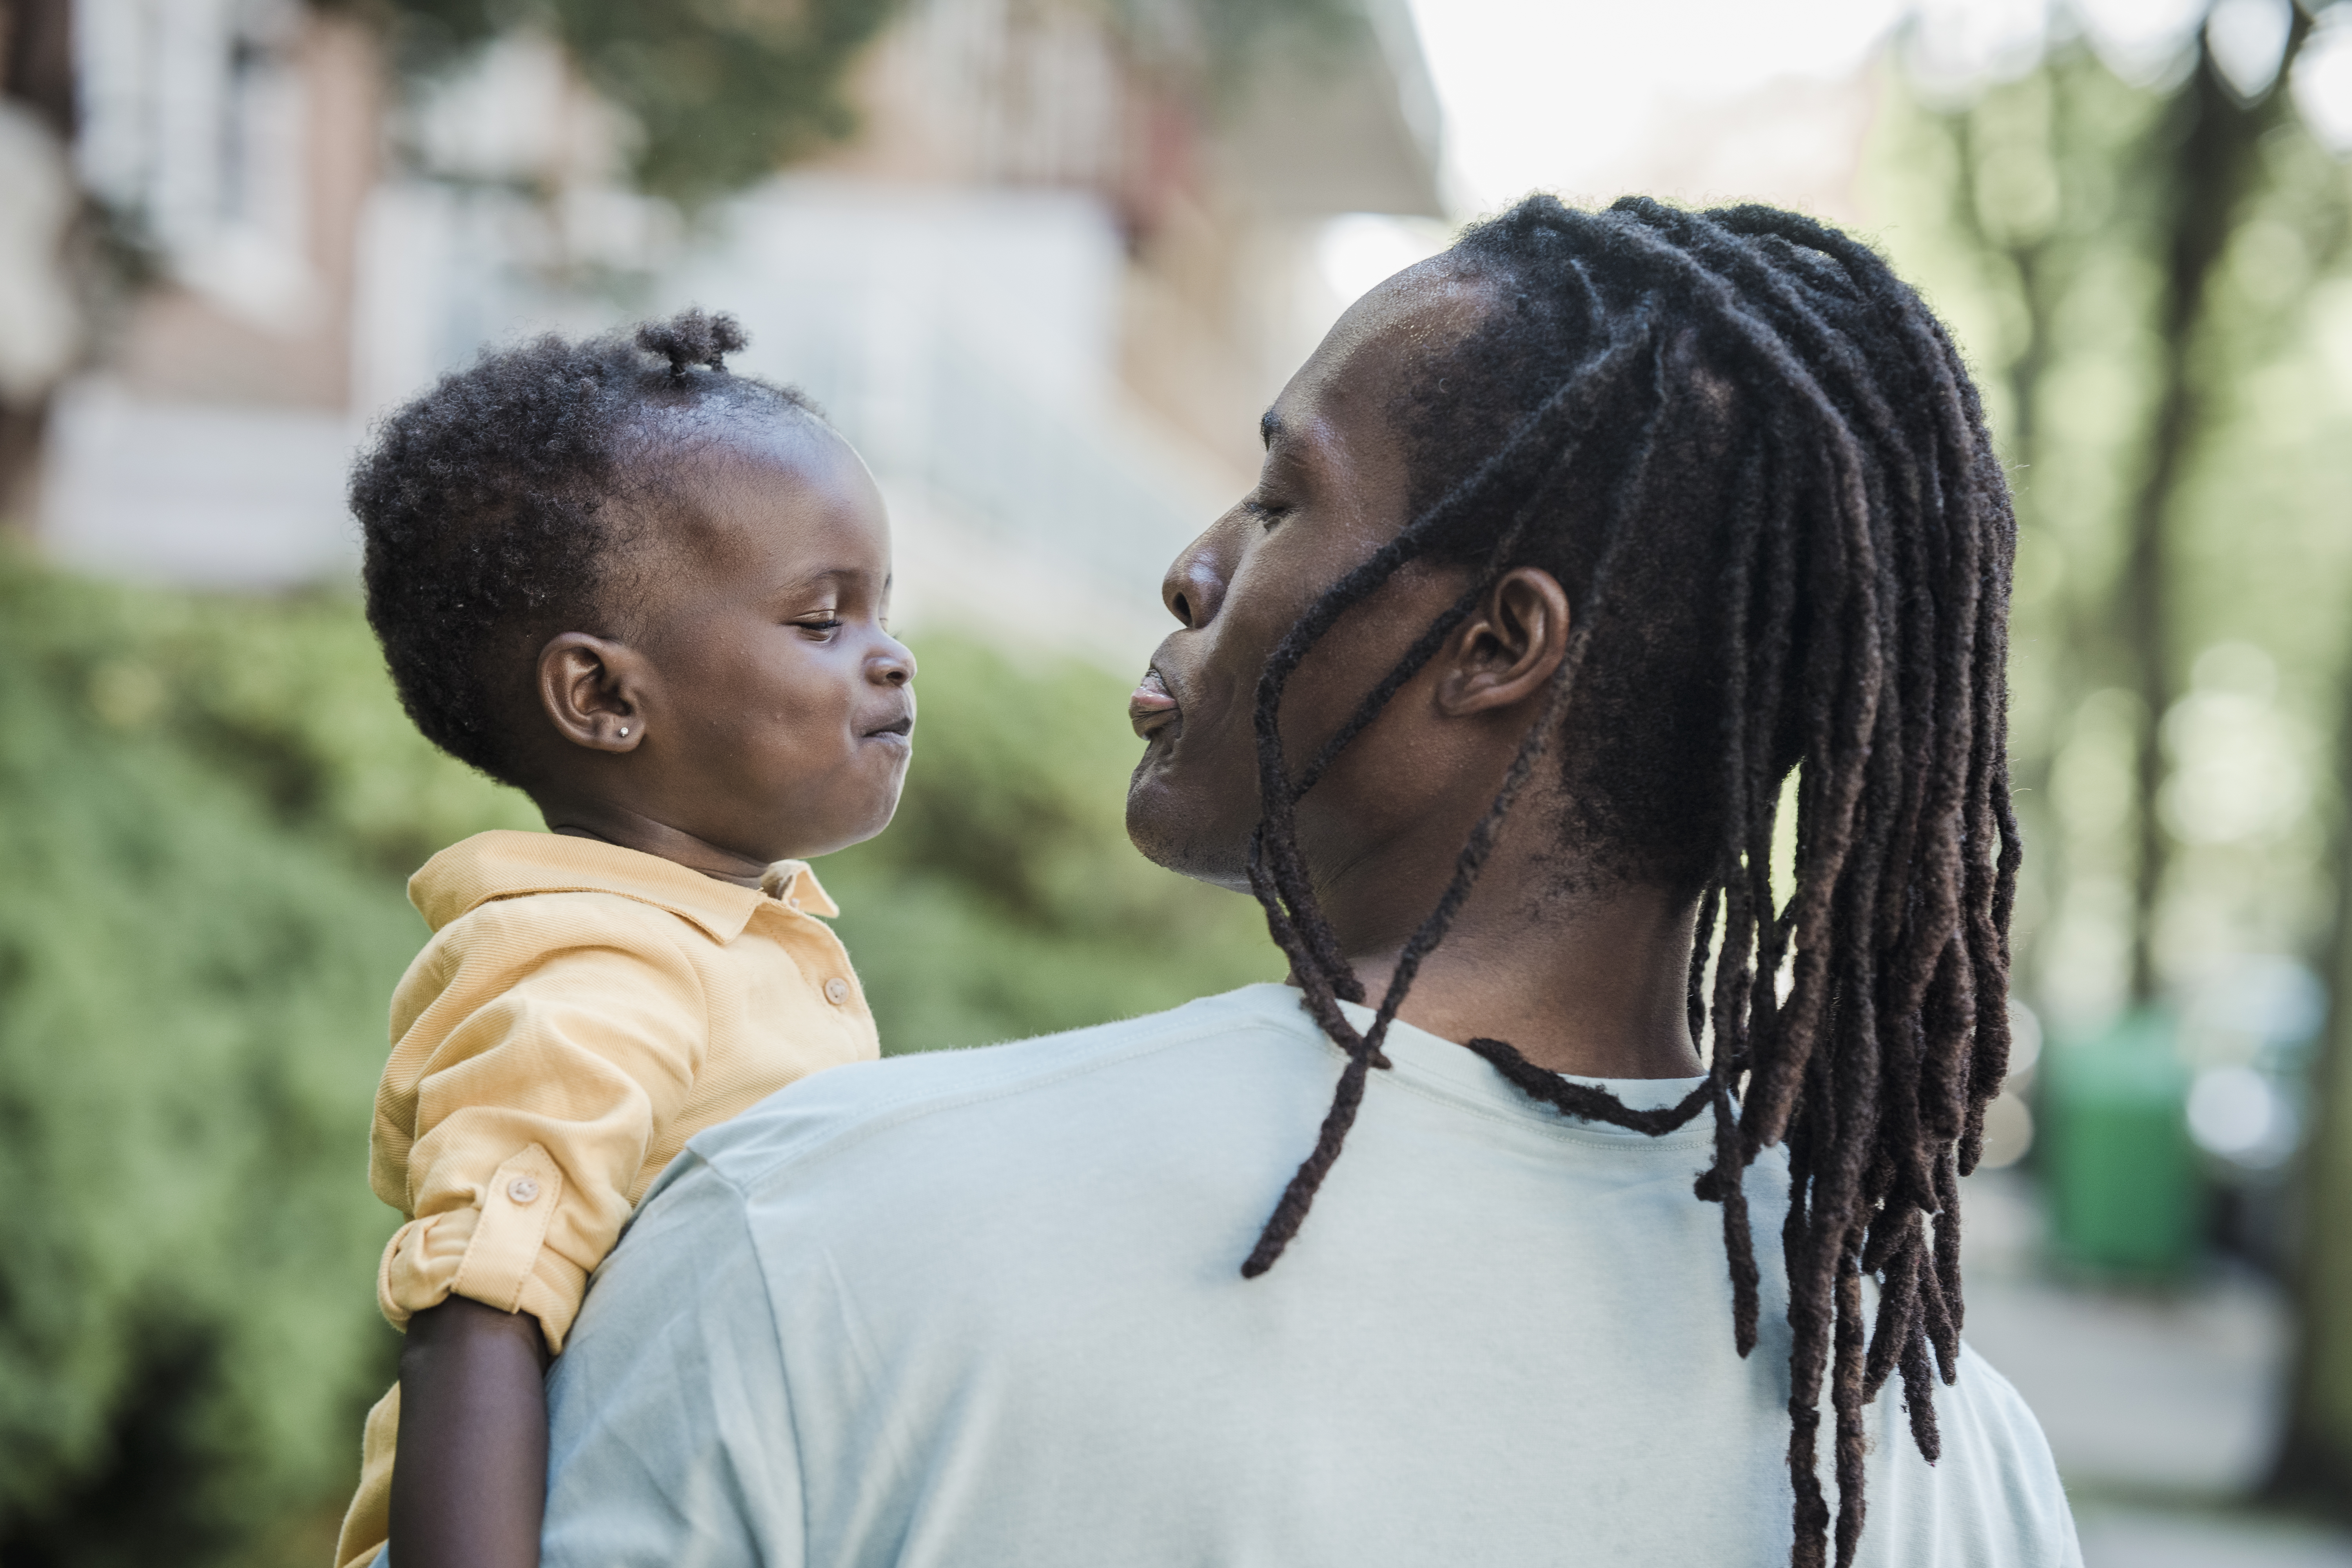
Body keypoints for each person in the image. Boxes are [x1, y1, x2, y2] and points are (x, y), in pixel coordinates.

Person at [537, 198, 2080, 1568]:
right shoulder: (1940, 1452)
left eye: (1280, 502)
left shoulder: (813, 1235)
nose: (1194, 568)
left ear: (1496, 647)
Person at [333, 309, 916, 1568]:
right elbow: (479, 1315)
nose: (892, 660)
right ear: (603, 697)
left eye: (882, 611)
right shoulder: (600, 972)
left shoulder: (727, 936)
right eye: (824, 621)